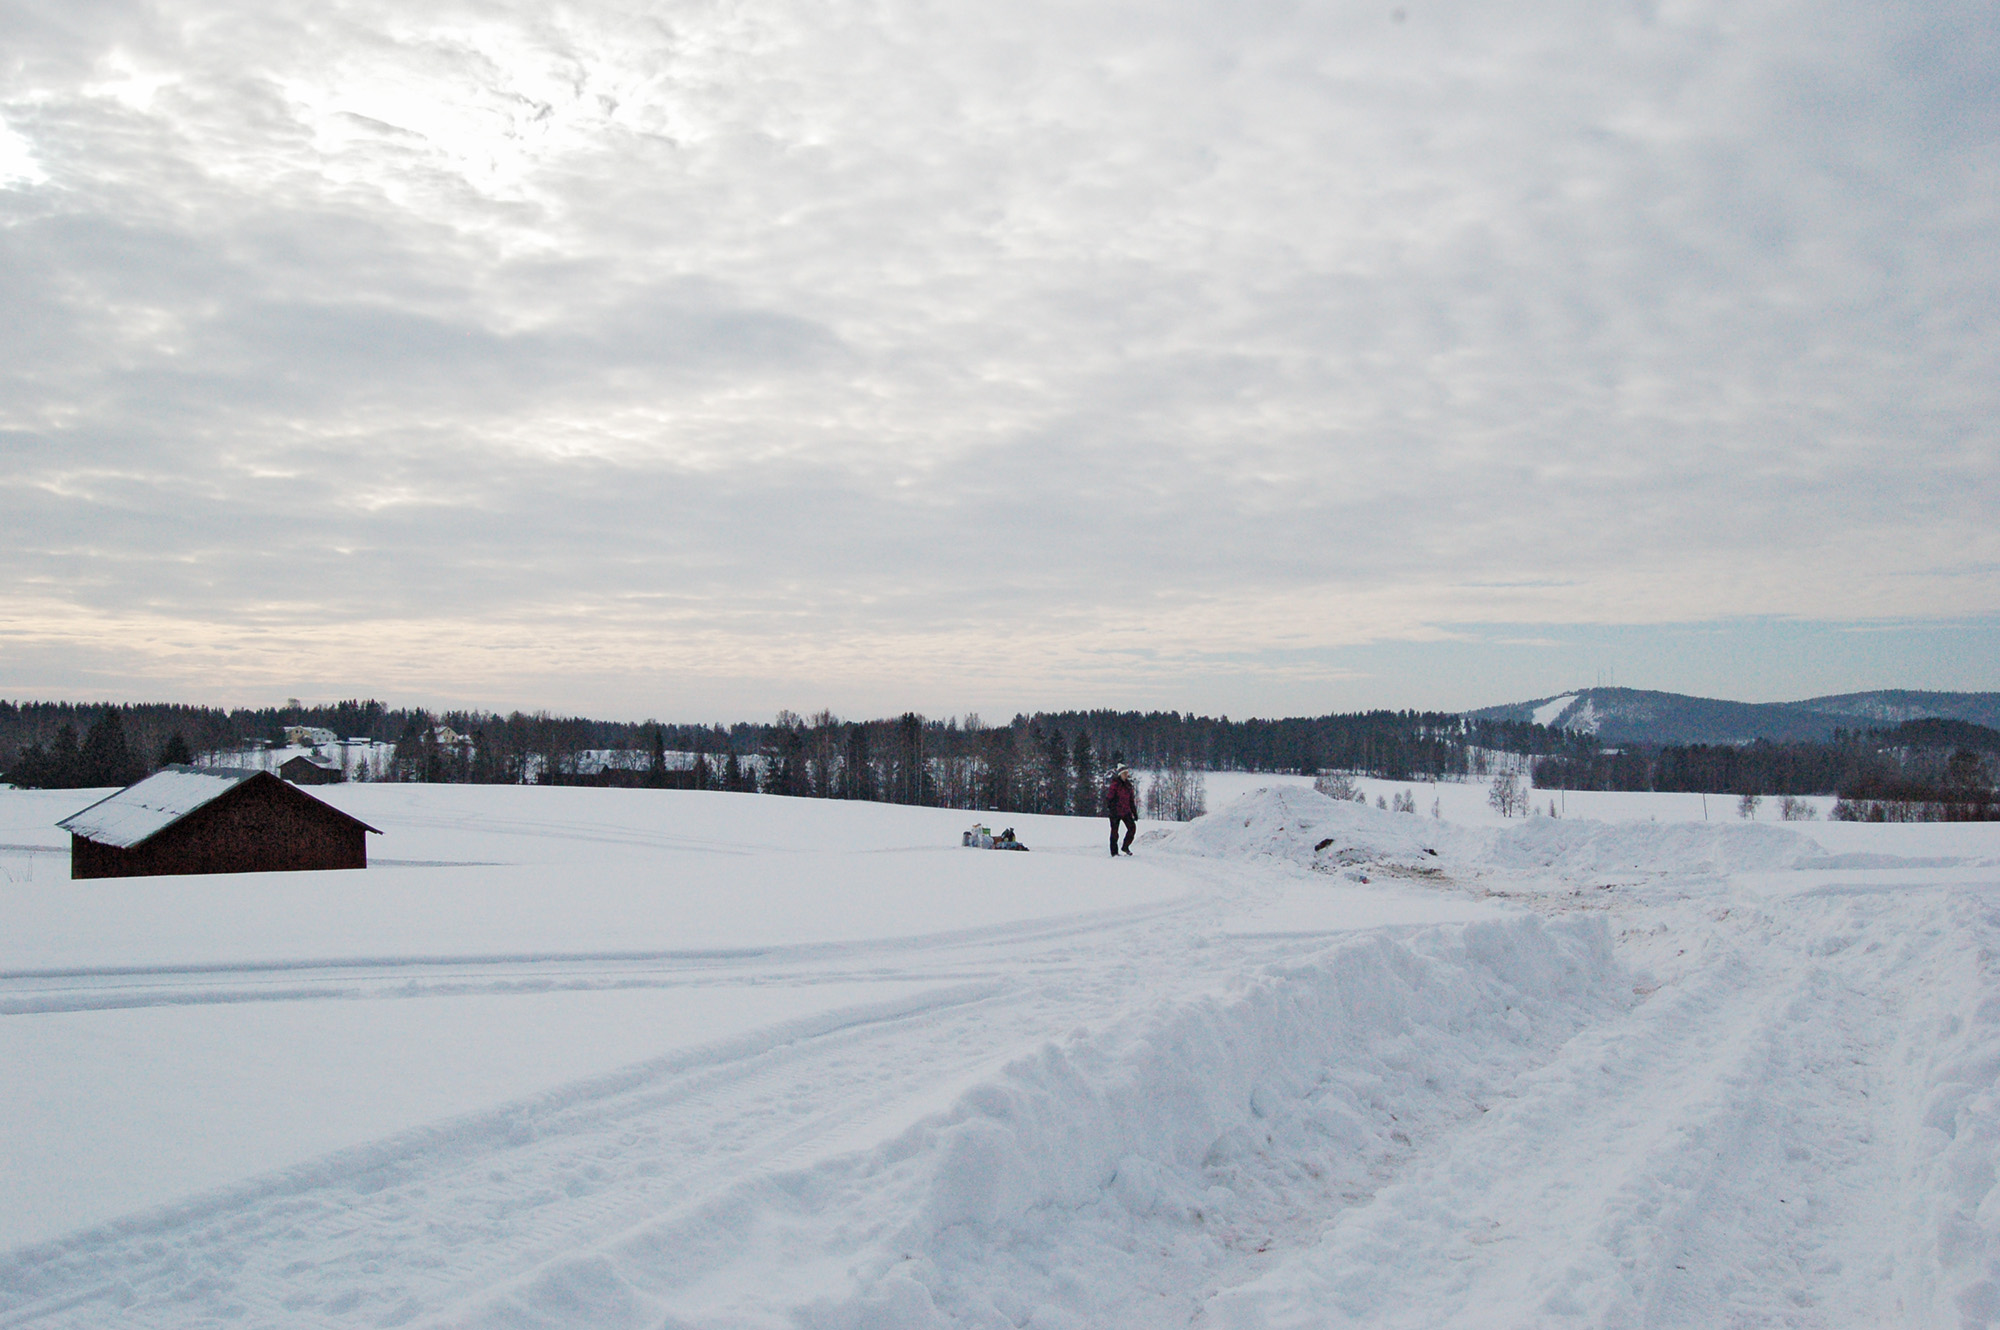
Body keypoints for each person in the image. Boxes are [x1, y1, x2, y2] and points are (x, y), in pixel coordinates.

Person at [1104, 764, 1138, 857]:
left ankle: (1125, 846)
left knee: (1132, 828)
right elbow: (1109, 798)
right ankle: (1114, 852)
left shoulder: (1128, 785)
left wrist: (1134, 813)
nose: (1126, 775)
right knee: (1115, 832)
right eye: (1124, 773)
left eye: (1127, 773)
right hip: (1115, 812)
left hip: (1126, 812)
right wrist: (1112, 809)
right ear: (1120, 774)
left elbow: (1131, 801)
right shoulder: (1115, 785)